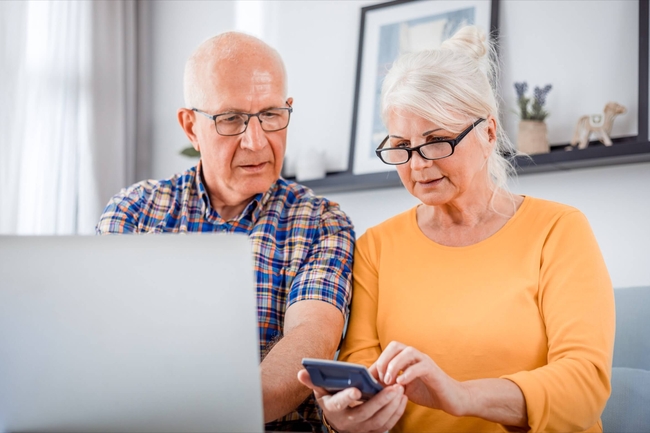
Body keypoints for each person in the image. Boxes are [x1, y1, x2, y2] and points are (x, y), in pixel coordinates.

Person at [298, 26, 615, 432]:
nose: (417, 165)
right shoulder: (376, 247)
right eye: (401, 146)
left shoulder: (558, 231)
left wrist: (462, 396)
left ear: (488, 132)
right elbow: (363, 368)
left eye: (436, 141)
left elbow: (584, 385)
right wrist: (347, 414)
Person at [97, 32, 354, 431]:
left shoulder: (322, 223)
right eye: (231, 119)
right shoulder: (134, 212)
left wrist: (208, 418)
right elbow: (105, 340)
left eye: (270, 115)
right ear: (191, 127)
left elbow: (310, 338)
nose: (255, 142)